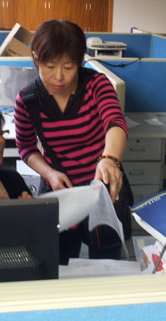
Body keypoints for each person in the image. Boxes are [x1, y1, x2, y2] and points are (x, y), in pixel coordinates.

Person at [14, 19, 132, 264]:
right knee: (59, 261)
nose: (59, 77)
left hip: (101, 187)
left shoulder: (96, 86)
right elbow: (25, 147)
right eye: (49, 66)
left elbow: (115, 123)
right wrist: (49, 173)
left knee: (106, 261)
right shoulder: (28, 100)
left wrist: (109, 159)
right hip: (61, 190)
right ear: (36, 59)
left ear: (79, 62)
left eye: (68, 67)